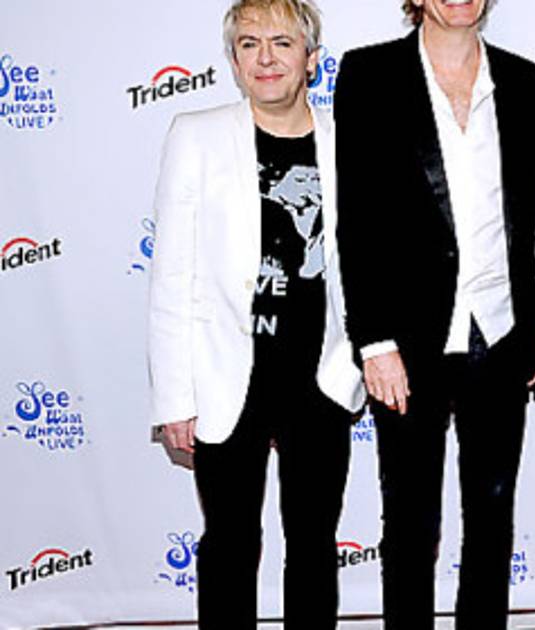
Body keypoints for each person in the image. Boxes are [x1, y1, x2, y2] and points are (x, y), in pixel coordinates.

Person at [148, 1, 363, 627]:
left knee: (314, 547)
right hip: (224, 378)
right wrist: (174, 399)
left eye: (282, 43)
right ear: (235, 60)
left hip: (321, 379)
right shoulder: (195, 135)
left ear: (311, 59)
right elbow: (171, 277)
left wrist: (357, 362)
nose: (266, 58)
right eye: (249, 44)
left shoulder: (350, 139)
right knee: (229, 546)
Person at [333, 0, 535, 627]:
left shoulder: (523, 79)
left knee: (492, 515)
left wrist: (532, 328)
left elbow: (529, 216)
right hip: (406, 342)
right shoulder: (369, 75)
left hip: (498, 332)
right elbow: (356, 219)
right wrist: (374, 341)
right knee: (409, 520)